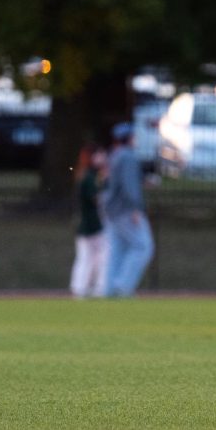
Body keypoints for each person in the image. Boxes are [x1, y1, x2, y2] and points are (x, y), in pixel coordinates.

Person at [101, 122, 154, 297]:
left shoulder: (114, 155)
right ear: (130, 138)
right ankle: (123, 287)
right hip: (125, 209)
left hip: (111, 209)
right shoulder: (128, 157)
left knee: (117, 250)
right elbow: (129, 185)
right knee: (143, 247)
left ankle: (109, 289)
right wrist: (136, 208)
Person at [69, 144, 108, 298]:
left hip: (88, 223)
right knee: (92, 257)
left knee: (89, 257)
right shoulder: (89, 176)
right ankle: (88, 288)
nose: (102, 158)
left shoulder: (88, 175)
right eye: (99, 154)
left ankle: (82, 287)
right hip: (91, 224)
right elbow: (96, 199)